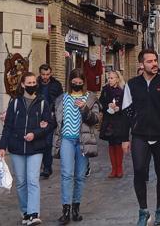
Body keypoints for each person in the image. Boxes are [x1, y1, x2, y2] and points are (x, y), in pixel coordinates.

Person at [121, 49, 160, 226]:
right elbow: (126, 112)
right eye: (149, 61)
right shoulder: (132, 84)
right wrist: (124, 137)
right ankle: (143, 211)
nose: (154, 64)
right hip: (139, 135)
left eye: (155, 60)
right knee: (138, 171)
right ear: (141, 64)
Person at [0, 72, 54, 226]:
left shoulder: (42, 102)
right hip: (16, 148)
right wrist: (2, 146)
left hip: (35, 148)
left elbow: (50, 124)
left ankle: (34, 214)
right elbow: (8, 125)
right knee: (21, 182)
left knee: (33, 180)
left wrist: (35, 134)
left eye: (33, 82)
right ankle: (25, 212)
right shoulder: (15, 102)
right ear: (22, 84)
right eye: (28, 83)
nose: (31, 85)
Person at [53, 69, 100, 224]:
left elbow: (95, 120)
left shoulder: (90, 98)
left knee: (79, 176)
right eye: (75, 82)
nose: (77, 84)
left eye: (80, 82)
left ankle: (76, 208)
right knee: (66, 174)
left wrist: (84, 108)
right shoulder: (62, 98)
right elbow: (57, 120)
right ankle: (65, 210)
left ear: (84, 83)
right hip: (67, 139)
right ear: (70, 81)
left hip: (83, 141)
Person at [36, 64, 63, 179]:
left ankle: (47, 168)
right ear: (40, 74)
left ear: (50, 74)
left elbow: (61, 100)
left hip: (51, 117)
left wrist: (56, 113)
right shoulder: (36, 84)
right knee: (38, 143)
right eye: (43, 74)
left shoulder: (56, 85)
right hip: (37, 116)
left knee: (48, 143)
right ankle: (38, 166)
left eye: (47, 74)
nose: (45, 77)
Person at [99, 70, 127, 178]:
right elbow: (101, 102)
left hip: (119, 120)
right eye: (108, 78)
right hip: (109, 119)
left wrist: (118, 108)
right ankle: (113, 169)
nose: (110, 80)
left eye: (112, 78)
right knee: (111, 144)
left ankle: (119, 168)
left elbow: (126, 105)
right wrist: (108, 106)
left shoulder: (123, 90)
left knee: (118, 144)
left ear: (117, 79)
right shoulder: (105, 90)